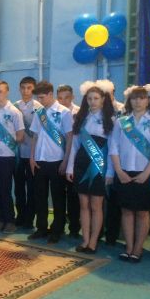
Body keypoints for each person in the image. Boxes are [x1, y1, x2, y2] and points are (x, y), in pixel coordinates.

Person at [108, 85, 150, 263]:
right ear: (129, 101)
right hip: (124, 172)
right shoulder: (121, 121)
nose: (137, 101)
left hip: (145, 174)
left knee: (142, 212)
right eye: (134, 98)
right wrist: (118, 171)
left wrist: (146, 174)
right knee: (126, 211)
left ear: (148, 100)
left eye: (141, 98)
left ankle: (138, 249)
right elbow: (114, 147)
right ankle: (128, 247)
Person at [66, 82, 114, 253]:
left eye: (96, 98)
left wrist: (110, 172)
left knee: (96, 205)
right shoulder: (80, 118)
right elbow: (75, 146)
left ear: (103, 100)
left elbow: (112, 149)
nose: (92, 101)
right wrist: (70, 168)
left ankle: (93, 241)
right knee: (83, 204)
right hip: (81, 164)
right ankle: (85, 239)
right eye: (89, 98)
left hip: (99, 166)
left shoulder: (110, 120)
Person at [28, 81, 73, 244]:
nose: (40, 100)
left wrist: (66, 161)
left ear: (50, 94)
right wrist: (32, 157)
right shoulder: (39, 112)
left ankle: (57, 229)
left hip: (57, 161)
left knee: (58, 198)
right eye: (38, 98)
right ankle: (41, 227)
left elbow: (70, 138)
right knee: (40, 196)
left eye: (42, 97)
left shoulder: (64, 112)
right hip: (40, 160)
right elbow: (35, 136)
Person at [0, 81, 24, 233]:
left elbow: (20, 136)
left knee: (5, 189)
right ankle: (0, 219)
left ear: (7, 92)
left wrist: (7, 141)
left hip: (7, 156)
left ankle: (10, 220)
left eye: (0, 91)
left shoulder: (15, 112)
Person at [96, 79, 123, 245]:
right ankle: (97, 232)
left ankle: (112, 234)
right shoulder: (96, 112)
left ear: (114, 93)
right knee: (98, 199)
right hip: (97, 159)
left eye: (109, 94)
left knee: (113, 200)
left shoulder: (123, 109)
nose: (107, 97)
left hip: (116, 160)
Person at [14, 76, 42, 229]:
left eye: (29, 88)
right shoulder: (14, 106)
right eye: (23, 88)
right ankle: (20, 216)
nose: (26, 91)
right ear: (19, 89)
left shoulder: (39, 107)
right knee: (18, 187)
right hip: (18, 154)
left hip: (33, 154)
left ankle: (30, 219)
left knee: (32, 189)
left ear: (34, 89)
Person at [57, 84, 81, 237]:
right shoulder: (55, 112)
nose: (63, 101)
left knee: (74, 197)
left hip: (75, 160)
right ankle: (58, 226)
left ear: (72, 97)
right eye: (60, 98)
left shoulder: (80, 113)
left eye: (66, 97)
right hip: (58, 159)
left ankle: (74, 228)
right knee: (59, 195)